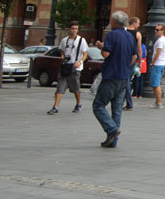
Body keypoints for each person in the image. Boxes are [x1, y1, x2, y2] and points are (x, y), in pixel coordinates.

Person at [92, 10, 136, 148]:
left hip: (111, 75)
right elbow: (134, 56)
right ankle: (113, 140)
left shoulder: (112, 35)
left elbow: (105, 54)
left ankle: (112, 130)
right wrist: (125, 66)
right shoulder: (130, 37)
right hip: (124, 77)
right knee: (117, 110)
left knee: (98, 105)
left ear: (115, 21)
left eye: (111, 20)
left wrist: (101, 46)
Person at [48, 21, 88, 114]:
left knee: (75, 88)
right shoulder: (64, 40)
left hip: (75, 67)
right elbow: (62, 51)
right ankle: (55, 107)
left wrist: (80, 62)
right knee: (60, 87)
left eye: (76, 29)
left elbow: (85, 54)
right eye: (73, 28)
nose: (74, 31)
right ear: (69, 29)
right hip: (65, 66)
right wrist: (62, 56)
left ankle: (78, 104)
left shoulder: (81, 40)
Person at [123, 16, 142, 110]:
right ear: (134, 23)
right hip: (132, 59)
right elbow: (139, 50)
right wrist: (140, 62)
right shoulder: (137, 34)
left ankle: (124, 101)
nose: (139, 25)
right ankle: (129, 103)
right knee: (126, 81)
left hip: (123, 59)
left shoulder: (124, 32)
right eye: (138, 23)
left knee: (124, 80)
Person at [148, 24, 165, 109]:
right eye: (155, 29)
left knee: (155, 84)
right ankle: (157, 102)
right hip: (161, 63)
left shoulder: (160, 41)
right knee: (156, 83)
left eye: (158, 30)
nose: (155, 31)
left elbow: (158, 53)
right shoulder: (164, 40)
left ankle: (158, 103)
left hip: (157, 64)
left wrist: (152, 63)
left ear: (162, 30)